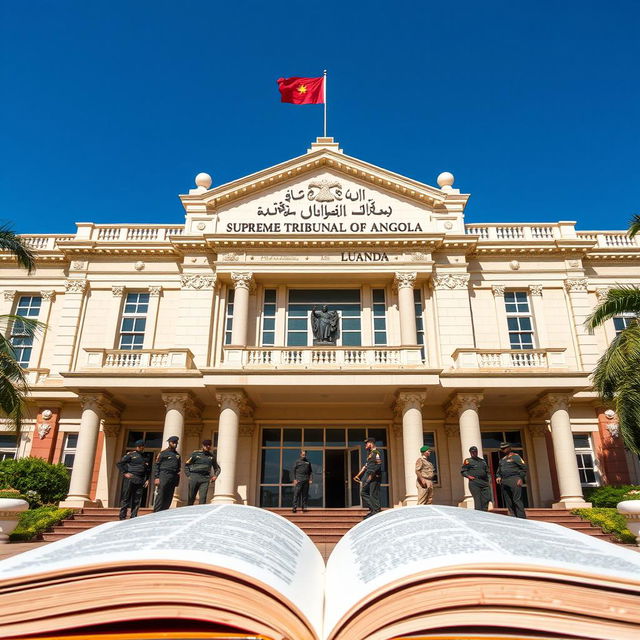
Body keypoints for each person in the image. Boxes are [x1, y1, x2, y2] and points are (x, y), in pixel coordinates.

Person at [116, 439, 150, 519]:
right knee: (126, 497)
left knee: (137, 499)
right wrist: (125, 473)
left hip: (140, 479)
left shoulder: (146, 457)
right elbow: (119, 464)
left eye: (141, 446)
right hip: (130, 479)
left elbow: (147, 469)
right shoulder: (131, 455)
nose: (140, 448)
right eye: (138, 446)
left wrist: (147, 479)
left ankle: (133, 516)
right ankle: (122, 516)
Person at [496, 442, 527, 519]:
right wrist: (498, 476)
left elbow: (524, 468)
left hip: (514, 479)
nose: (503, 450)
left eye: (505, 448)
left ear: (509, 448)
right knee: (508, 501)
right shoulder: (502, 460)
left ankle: (521, 518)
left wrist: (520, 478)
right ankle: (513, 517)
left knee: (517, 500)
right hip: (505, 481)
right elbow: (498, 471)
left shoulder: (516, 457)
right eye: (502, 449)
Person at [185, 439, 221, 506]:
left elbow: (217, 468)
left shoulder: (212, 456)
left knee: (203, 498)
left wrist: (215, 476)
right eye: (206, 445)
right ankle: (189, 513)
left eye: (209, 445)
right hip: (194, 476)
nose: (207, 446)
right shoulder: (195, 454)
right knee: (191, 497)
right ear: (203, 445)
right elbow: (187, 465)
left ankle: (200, 513)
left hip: (205, 478)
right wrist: (189, 475)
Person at [354, 437, 383, 519]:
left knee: (373, 494)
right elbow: (366, 466)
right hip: (368, 475)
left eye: (367, 443)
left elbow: (378, 464)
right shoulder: (370, 454)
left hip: (374, 476)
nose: (365, 445)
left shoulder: (377, 453)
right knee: (364, 492)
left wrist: (372, 475)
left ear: (371, 443)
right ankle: (373, 509)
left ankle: (376, 511)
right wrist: (358, 475)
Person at [153, 435, 181, 512]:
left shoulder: (177, 455)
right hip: (164, 475)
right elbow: (157, 465)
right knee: (161, 494)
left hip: (173, 476)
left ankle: (164, 511)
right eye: (173, 442)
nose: (175, 444)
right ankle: (156, 512)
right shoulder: (163, 453)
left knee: (169, 495)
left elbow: (178, 467)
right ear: (169, 443)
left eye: (176, 443)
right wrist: (157, 477)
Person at [460, 446, 492, 511]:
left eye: (475, 452)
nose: (474, 453)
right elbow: (463, 471)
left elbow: (487, 471)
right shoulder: (468, 461)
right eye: (472, 452)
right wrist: (469, 476)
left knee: (487, 498)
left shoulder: (482, 461)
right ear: (470, 453)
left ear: (477, 452)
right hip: (475, 482)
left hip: (484, 482)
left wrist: (489, 479)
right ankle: (478, 515)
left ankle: (485, 512)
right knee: (478, 501)